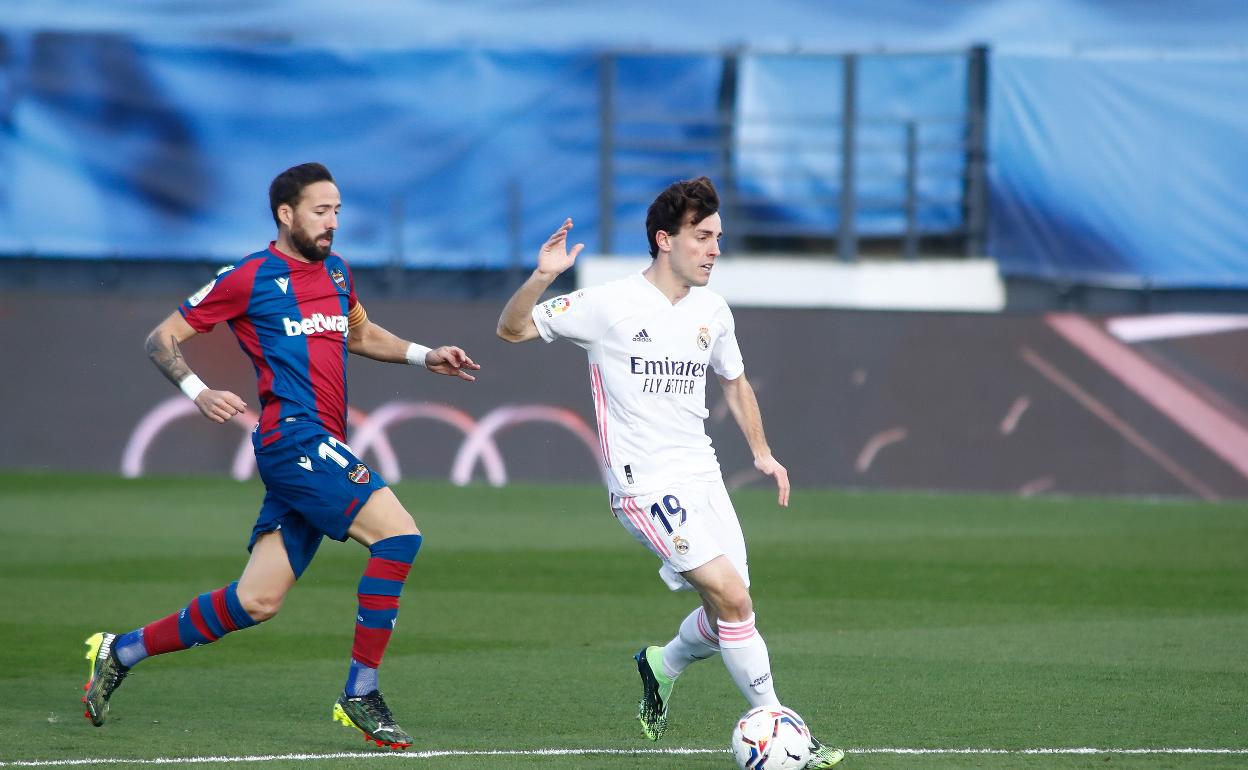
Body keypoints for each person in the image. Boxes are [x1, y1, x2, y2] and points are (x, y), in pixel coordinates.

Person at [82, 162, 480, 750]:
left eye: (339, 210)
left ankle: (123, 650)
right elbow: (160, 337)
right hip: (293, 439)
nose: (333, 222)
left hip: (322, 443)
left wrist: (426, 356)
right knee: (399, 537)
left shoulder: (338, 273)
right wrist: (198, 390)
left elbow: (359, 334)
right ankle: (360, 692)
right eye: (321, 211)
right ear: (285, 214)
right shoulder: (248, 276)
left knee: (256, 601)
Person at [495, 177, 844, 768]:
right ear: (665, 240)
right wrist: (543, 276)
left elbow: (733, 380)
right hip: (642, 483)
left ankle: (664, 663)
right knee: (732, 598)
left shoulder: (713, 310)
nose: (714, 249)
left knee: (729, 607)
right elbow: (512, 329)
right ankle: (784, 731)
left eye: (718, 238)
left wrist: (762, 453)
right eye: (702, 237)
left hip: (702, 474)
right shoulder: (608, 304)